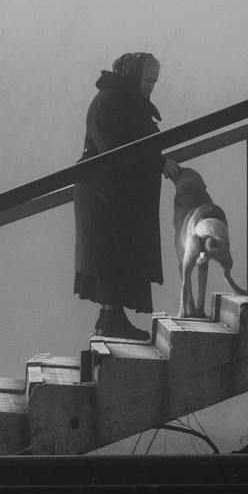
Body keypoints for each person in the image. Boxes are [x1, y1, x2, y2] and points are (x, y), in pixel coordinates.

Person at [74, 51, 180, 341]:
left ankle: (111, 319)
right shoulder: (111, 102)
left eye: (154, 81)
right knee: (112, 256)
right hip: (103, 194)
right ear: (133, 76)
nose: (150, 86)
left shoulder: (122, 101)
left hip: (111, 193)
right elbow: (116, 148)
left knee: (117, 256)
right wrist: (157, 163)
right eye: (147, 79)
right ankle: (110, 320)